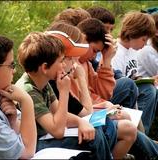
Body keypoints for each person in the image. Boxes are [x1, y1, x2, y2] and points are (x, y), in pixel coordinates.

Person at [16, 31, 114, 160]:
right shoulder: (28, 89)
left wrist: (80, 122)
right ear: (45, 67)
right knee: (92, 138)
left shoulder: (42, 82)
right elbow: (57, 131)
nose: (63, 65)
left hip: (47, 136)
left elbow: (58, 112)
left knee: (102, 124)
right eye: (61, 61)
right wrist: (63, 92)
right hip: (34, 145)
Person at [77, 17, 158, 160]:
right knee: (126, 121)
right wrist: (105, 108)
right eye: (95, 50)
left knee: (127, 117)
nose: (95, 55)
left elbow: (102, 93)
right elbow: (81, 107)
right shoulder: (73, 65)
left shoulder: (86, 64)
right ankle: (152, 150)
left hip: (95, 110)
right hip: (87, 116)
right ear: (82, 39)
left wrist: (106, 60)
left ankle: (150, 147)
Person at [111, 11, 157, 134]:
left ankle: (142, 135)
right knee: (149, 90)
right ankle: (140, 137)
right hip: (116, 97)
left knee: (150, 88)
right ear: (134, 33)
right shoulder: (116, 52)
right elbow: (116, 82)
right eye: (143, 40)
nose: (144, 45)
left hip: (131, 91)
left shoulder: (133, 51)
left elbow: (131, 74)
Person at [0, 35, 37, 159]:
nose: (13, 71)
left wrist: (13, 121)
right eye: (11, 65)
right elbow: (27, 152)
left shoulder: (1, 96)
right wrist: (27, 101)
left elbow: (22, 137)